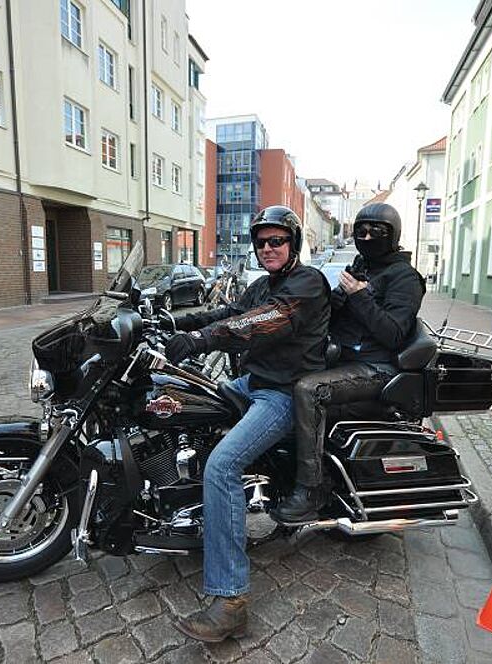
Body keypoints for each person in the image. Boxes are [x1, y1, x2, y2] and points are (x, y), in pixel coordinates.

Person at [163, 205, 330, 642]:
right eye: (261, 242)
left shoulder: (308, 283)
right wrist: (174, 321)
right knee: (183, 403)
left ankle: (231, 601)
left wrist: (199, 340)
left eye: (277, 240)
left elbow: (261, 320)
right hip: (251, 383)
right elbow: (227, 312)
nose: (267, 248)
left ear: (293, 243)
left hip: (282, 394)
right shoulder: (261, 285)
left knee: (222, 466)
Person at [269, 202, 426, 525]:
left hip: (379, 368)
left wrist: (359, 296)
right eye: (360, 231)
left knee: (309, 390)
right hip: (345, 359)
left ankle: (310, 490)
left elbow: (393, 334)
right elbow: (335, 316)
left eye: (375, 232)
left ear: (392, 235)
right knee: (284, 372)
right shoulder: (361, 267)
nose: (366, 238)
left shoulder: (405, 277)